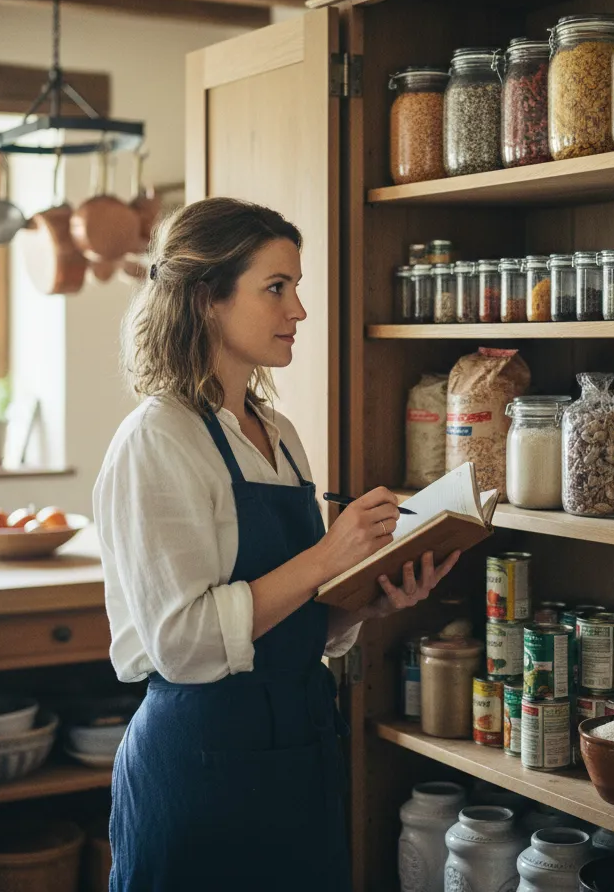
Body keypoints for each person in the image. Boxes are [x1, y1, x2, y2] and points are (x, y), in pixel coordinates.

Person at [93, 197, 461, 891]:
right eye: (276, 288)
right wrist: (330, 554)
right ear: (207, 299)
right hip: (204, 760)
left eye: (296, 286)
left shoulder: (280, 434)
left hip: (302, 748)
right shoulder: (156, 440)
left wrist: (363, 600)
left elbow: (297, 622)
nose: (299, 310)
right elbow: (184, 642)